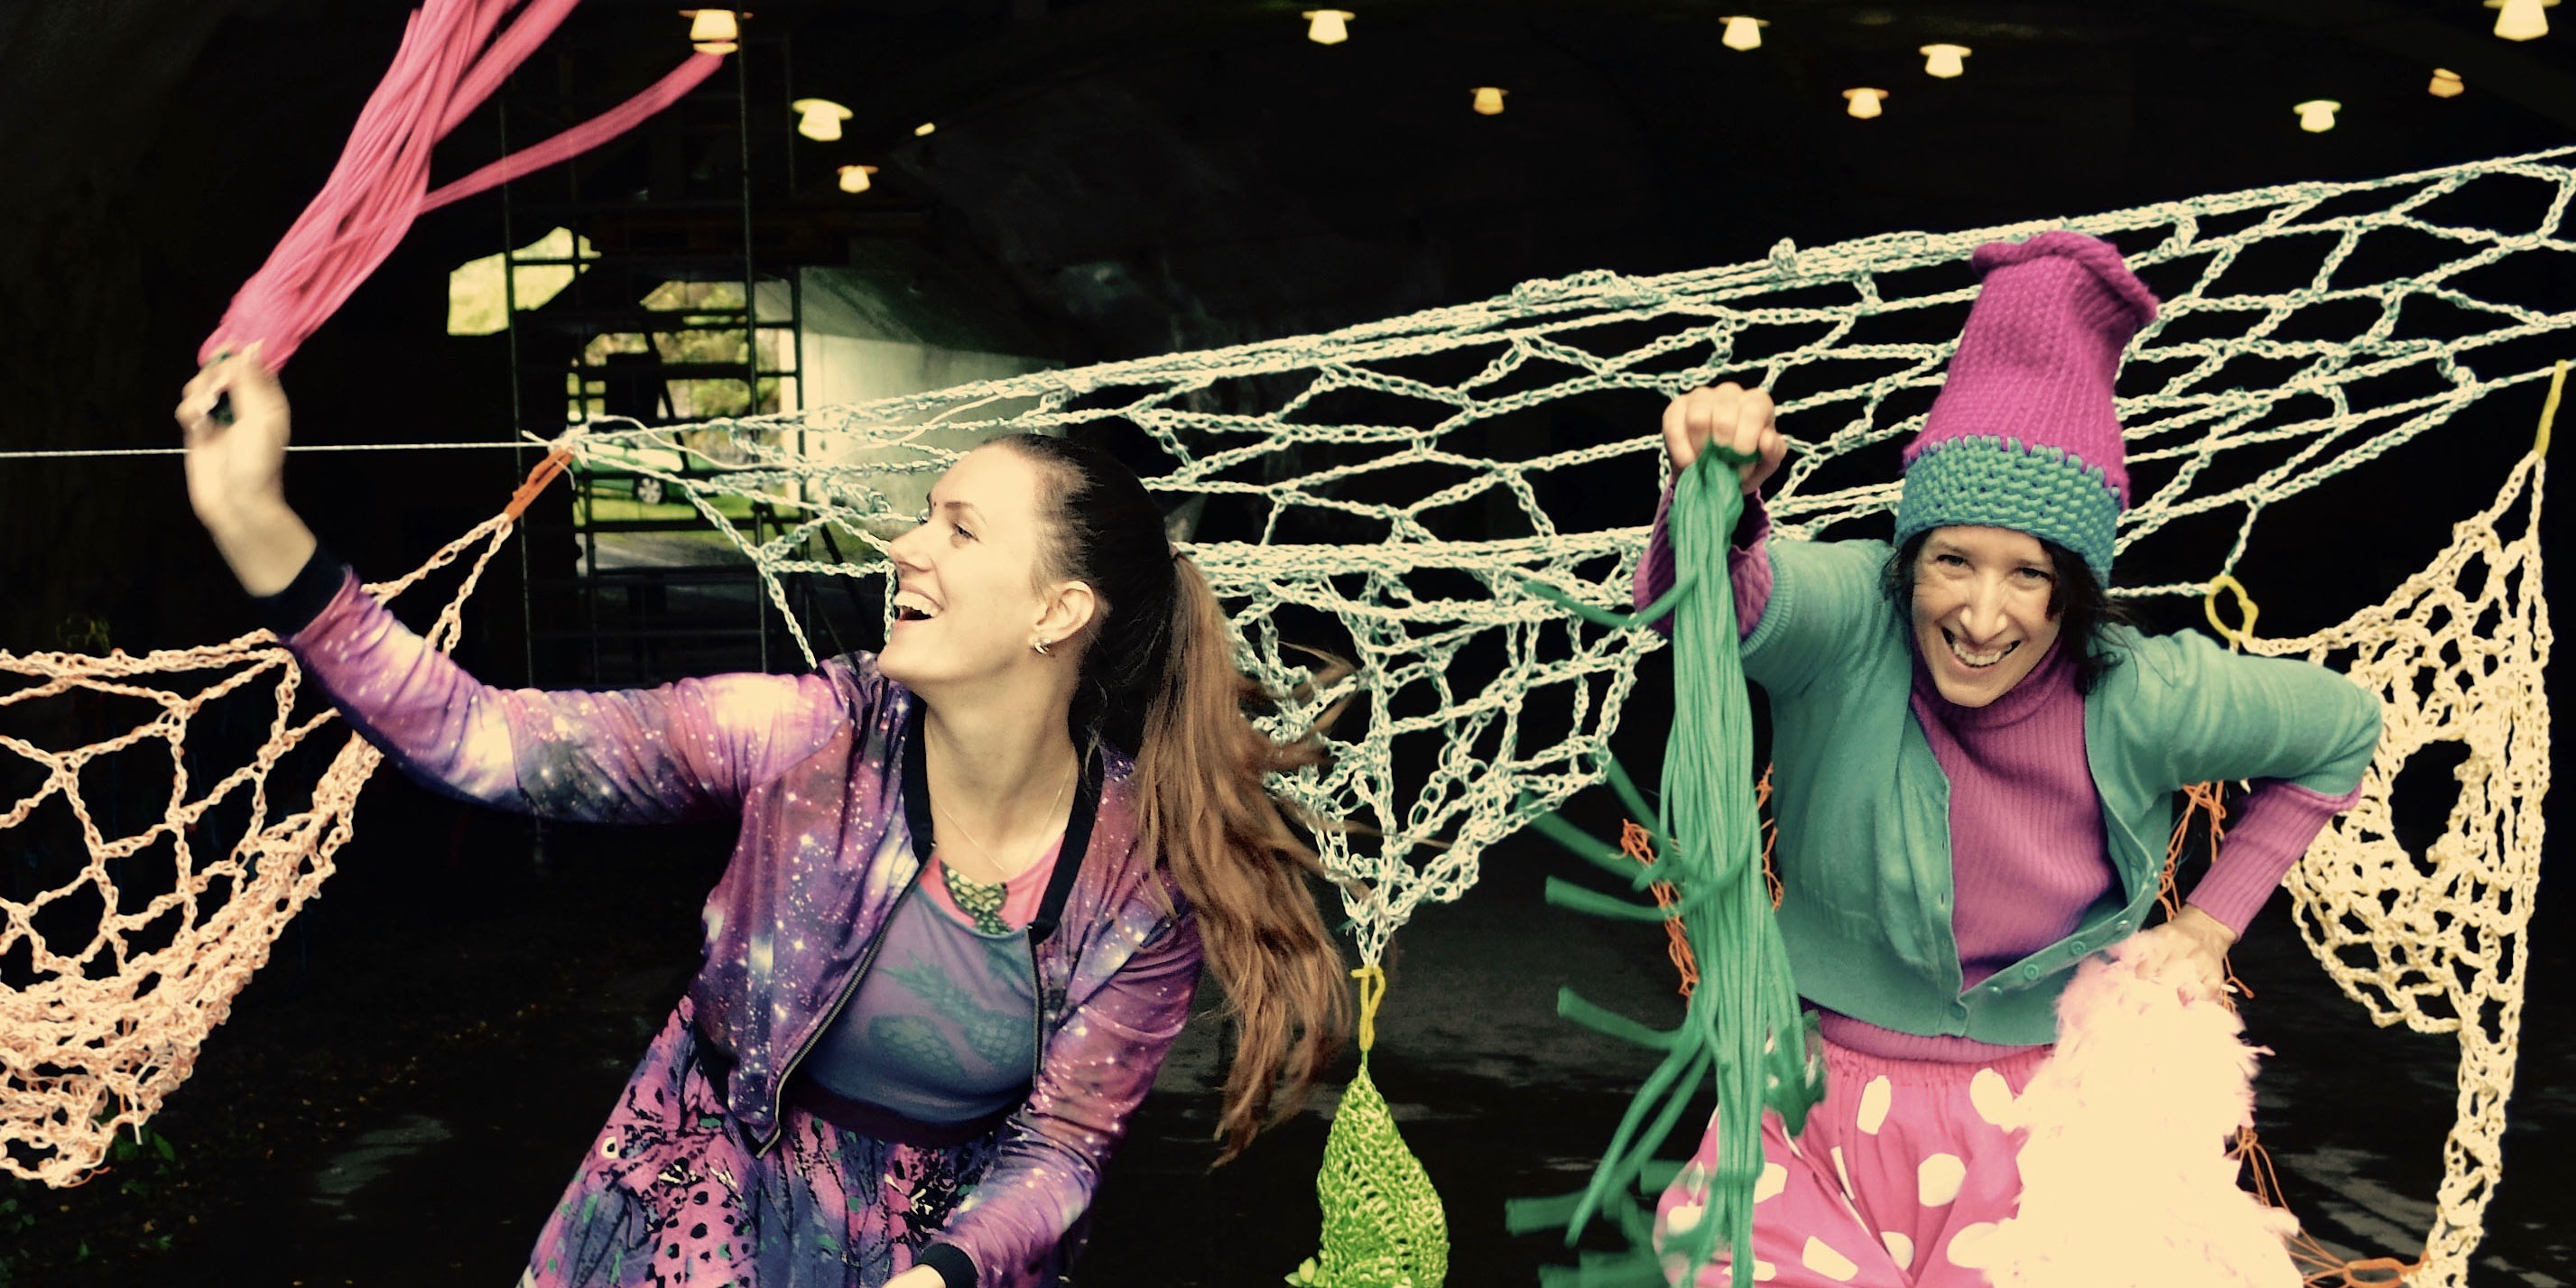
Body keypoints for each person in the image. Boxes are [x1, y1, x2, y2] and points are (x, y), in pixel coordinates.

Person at [175, 348, 1351, 1288]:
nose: (906, 542)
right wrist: (257, 530)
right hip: (689, 1202)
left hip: (938, 1248)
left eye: (959, 527)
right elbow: (486, 739)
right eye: (923, 514)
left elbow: (1064, 1151)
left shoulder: (1137, 881)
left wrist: (940, 1272)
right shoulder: (808, 732)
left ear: (1059, 611)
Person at [1631, 232, 2381, 1287]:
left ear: (2074, 589)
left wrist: (2211, 924)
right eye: (1950, 560)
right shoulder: (1855, 619)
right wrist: (1715, 485)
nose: (1980, 614)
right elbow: (1704, 598)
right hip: (1812, 1116)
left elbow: (2341, 729)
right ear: (1909, 560)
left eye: (2028, 574)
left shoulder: (2145, 688)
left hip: (2048, 1132)